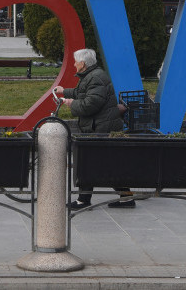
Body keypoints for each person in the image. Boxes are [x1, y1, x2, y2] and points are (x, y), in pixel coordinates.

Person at [56, 48, 134, 209]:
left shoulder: (96, 78)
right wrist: (65, 92)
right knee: (92, 163)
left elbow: (90, 104)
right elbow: (82, 92)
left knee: (97, 163)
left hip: (100, 128)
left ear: (83, 64)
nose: (74, 64)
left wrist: (71, 103)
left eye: (76, 61)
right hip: (97, 127)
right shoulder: (91, 76)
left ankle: (120, 197)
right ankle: (87, 199)